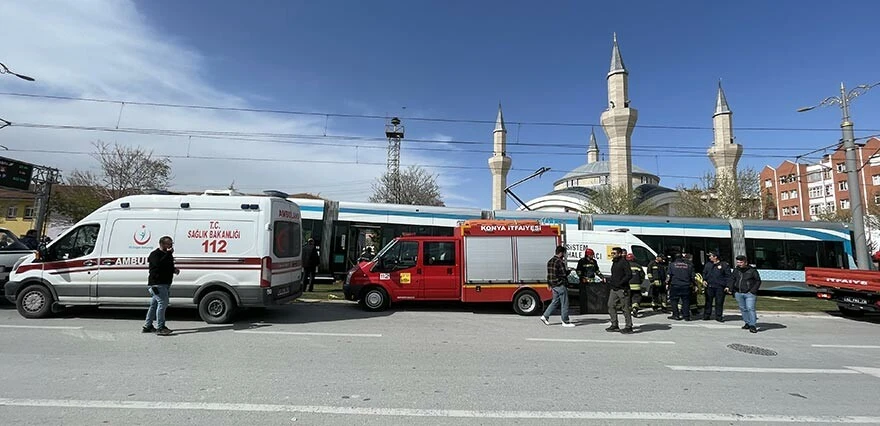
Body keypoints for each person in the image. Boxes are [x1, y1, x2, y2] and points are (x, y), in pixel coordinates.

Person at [144, 236, 179, 335]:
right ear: (162, 244)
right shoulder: (155, 254)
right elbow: (158, 265)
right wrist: (168, 253)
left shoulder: (167, 255)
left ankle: (148, 326)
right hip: (157, 284)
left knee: (154, 305)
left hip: (165, 283)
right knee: (163, 304)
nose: (171, 245)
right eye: (168, 243)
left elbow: (166, 266)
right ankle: (160, 327)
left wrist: (174, 270)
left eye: (171, 243)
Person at [540, 245, 575, 327]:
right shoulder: (559, 262)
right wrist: (569, 271)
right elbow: (563, 274)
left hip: (553, 285)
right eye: (563, 253)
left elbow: (549, 274)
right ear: (561, 253)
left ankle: (545, 316)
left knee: (555, 301)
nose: (564, 255)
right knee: (565, 302)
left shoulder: (550, 261)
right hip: (560, 284)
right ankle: (565, 321)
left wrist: (548, 284)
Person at [730, 255, 761, 333]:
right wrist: (731, 289)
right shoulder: (736, 270)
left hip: (749, 293)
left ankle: (752, 325)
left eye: (741, 262)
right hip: (738, 292)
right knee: (743, 308)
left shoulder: (752, 270)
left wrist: (753, 290)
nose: (739, 264)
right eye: (737, 262)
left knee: (750, 308)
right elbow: (732, 279)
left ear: (746, 262)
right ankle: (747, 322)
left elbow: (758, 281)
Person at [606, 247, 634, 333]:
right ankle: (614, 324)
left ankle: (629, 326)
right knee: (610, 305)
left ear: (619, 254)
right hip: (614, 289)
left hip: (623, 289)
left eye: (614, 253)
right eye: (612, 253)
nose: (612, 255)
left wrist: (621, 283)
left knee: (625, 308)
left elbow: (629, 275)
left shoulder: (624, 262)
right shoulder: (614, 262)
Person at [702, 252, 732, 322]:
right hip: (709, 286)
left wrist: (728, 286)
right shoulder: (708, 264)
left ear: (715, 257)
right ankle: (706, 315)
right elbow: (704, 273)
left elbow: (728, 276)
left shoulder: (724, 265)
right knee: (708, 302)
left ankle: (718, 316)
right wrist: (704, 280)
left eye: (711, 256)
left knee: (719, 302)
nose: (709, 257)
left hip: (720, 287)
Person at [665, 253, 695, 321]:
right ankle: (686, 316)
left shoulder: (672, 265)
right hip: (686, 285)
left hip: (675, 285)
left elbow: (669, 276)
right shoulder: (689, 265)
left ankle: (676, 315)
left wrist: (667, 283)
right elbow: (692, 276)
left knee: (674, 300)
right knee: (686, 301)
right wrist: (694, 284)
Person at [575, 248, 603, 314]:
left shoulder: (594, 262)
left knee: (593, 297)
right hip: (583, 283)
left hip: (592, 283)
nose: (592, 256)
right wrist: (582, 278)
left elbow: (597, 271)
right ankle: (583, 310)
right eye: (591, 255)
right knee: (583, 297)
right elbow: (578, 271)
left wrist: (602, 277)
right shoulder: (582, 261)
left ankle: (592, 309)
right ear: (588, 255)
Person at [626, 253, 645, 318]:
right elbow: (642, 276)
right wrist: (640, 282)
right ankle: (635, 308)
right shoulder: (638, 266)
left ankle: (627, 310)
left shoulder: (625, 266)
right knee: (636, 297)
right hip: (636, 285)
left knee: (627, 298)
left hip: (627, 285)